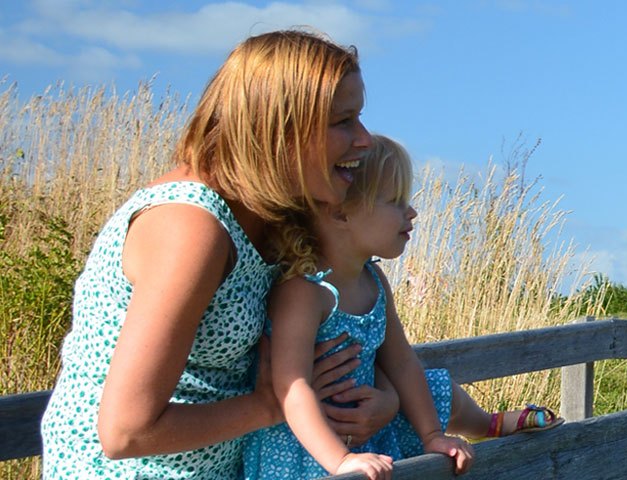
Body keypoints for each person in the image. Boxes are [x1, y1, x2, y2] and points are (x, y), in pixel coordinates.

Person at [35, 28, 404, 479]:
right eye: (343, 121)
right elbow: (125, 433)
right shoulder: (191, 229)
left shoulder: (280, 215)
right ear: (280, 128)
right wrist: (268, 407)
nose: (364, 139)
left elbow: (365, 329)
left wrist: (387, 398)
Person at [243, 135, 475, 479]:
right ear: (340, 213)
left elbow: (401, 361)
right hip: (305, 453)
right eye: (395, 201)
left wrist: (431, 435)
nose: (410, 212)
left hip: (363, 442)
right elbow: (293, 387)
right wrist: (339, 460)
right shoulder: (305, 290)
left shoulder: (373, 279)